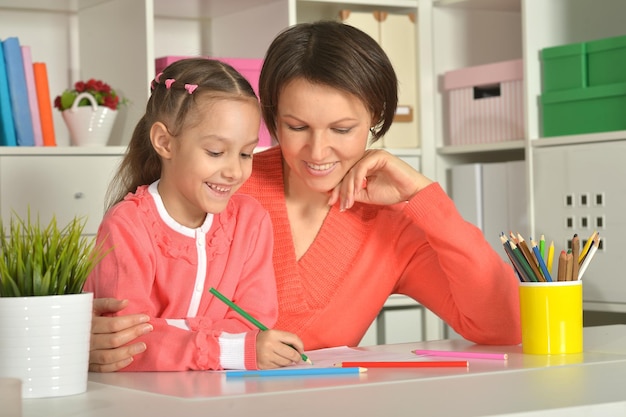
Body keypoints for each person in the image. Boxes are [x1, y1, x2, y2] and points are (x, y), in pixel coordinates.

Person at [89, 21, 521, 373]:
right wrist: (85, 339)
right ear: (272, 117)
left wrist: (423, 197)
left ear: (375, 120)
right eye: (297, 127)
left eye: (342, 129)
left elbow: (504, 324)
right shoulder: (222, 188)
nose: (317, 153)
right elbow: (141, 313)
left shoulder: (393, 222)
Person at [84, 58, 305, 372]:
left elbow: (252, 326)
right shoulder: (127, 227)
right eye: (215, 152)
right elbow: (125, 346)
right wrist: (230, 348)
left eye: (245, 153)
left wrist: (169, 331)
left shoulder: (251, 222)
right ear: (164, 142)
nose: (234, 171)